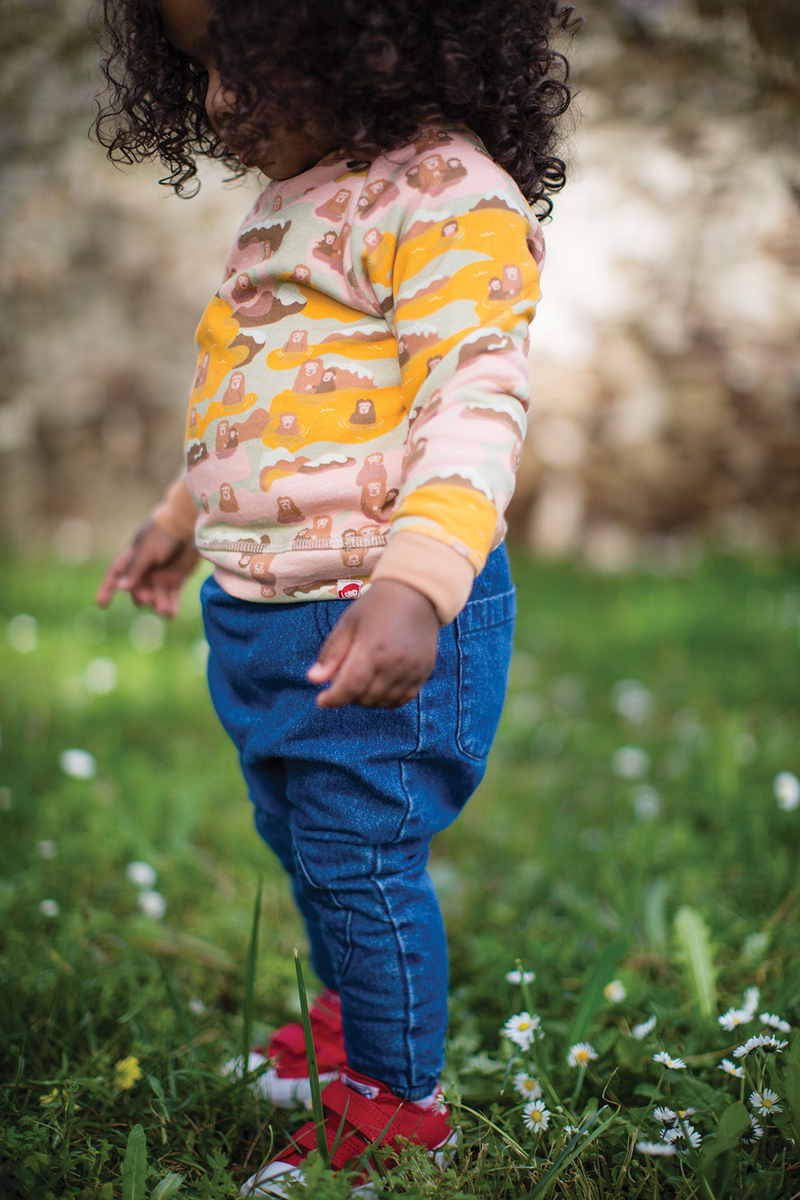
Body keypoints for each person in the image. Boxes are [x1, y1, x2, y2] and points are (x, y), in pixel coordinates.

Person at [94, 0, 577, 1192]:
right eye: (195, 70)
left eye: (236, 60)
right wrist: (174, 522)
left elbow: (474, 401)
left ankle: (398, 1108)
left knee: (359, 856)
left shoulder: (449, 196)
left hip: (371, 608)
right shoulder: (296, 196)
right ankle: (357, 1028)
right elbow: (262, 407)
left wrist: (419, 583)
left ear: (361, 34)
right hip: (261, 612)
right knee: (309, 846)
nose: (213, 101)